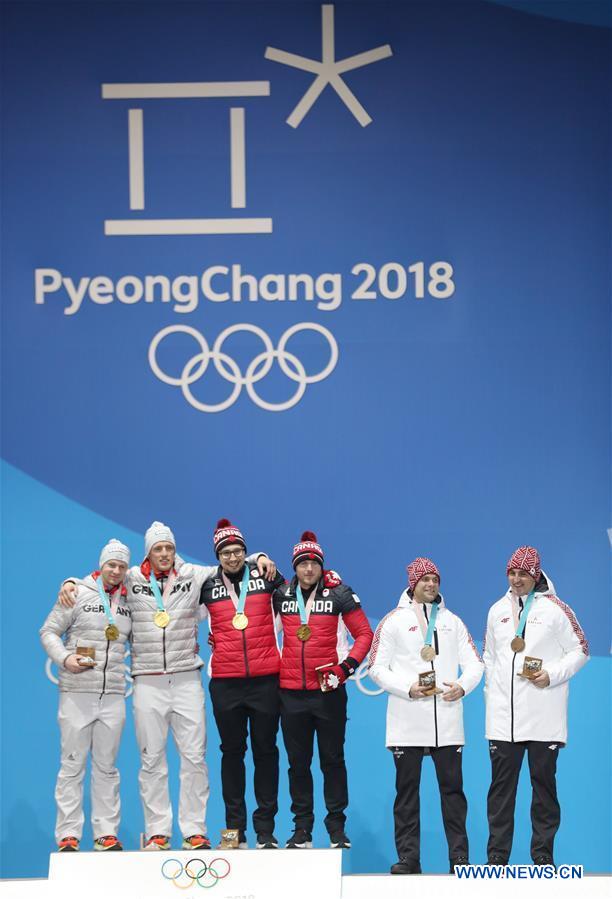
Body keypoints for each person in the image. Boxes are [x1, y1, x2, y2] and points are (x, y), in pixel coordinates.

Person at [58, 521, 275, 851]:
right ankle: (158, 831)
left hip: (187, 678)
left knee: (194, 758)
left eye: (169, 548)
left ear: (175, 550)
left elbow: (229, 564)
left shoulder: (193, 574)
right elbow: (102, 578)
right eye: (158, 549)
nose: (164, 554)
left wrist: (258, 556)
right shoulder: (129, 577)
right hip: (147, 682)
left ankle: (194, 831)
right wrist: (72, 581)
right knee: (151, 759)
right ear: (148, 552)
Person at [369, 557, 483, 875]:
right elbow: (376, 668)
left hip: (447, 722)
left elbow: (475, 663)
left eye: (435, 580)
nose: (431, 585)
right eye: (425, 580)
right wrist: (408, 687)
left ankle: (459, 859)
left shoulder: (453, 622)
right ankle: (409, 859)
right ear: (412, 584)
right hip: (407, 722)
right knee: (407, 795)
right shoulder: (392, 621)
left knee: (453, 795)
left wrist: (462, 686)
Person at [483, 546, 589, 867]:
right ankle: (496, 858)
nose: (516, 580)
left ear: (536, 575)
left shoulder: (557, 609)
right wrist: (492, 695)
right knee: (500, 793)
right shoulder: (496, 610)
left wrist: (552, 675)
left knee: (543, 789)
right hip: (504, 720)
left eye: (523, 575)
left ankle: (542, 856)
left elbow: (581, 650)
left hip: (544, 714)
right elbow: (490, 656)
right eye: (512, 573)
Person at [272, 531, 373, 850]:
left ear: (321, 566)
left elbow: (364, 635)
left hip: (328, 692)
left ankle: (336, 829)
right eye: (302, 564)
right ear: (295, 567)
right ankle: (301, 829)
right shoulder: (281, 594)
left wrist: (345, 669)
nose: (308, 569)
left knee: (333, 760)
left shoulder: (339, 593)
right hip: (290, 693)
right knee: (297, 764)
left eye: (314, 563)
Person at [199, 519, 286, 849]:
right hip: (225, 684)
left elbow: (297, 599)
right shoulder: (206, 586)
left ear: (245, 553)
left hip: (266, 680)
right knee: (231, 754)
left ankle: (265, 831)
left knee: (266, 753)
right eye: (225, 553)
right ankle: (233, 832)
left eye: (238, 552)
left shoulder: (265, 578)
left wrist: (261, 558)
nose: (232, 558)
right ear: (218, 557)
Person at [41, 539, 132, 853]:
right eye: (111, 565)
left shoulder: (130, 596)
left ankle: (105, 833)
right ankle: (68, 835)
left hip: (114, 696)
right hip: (77, 693)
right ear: (101, 564)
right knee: (71, 765)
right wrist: (65, 658)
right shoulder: (76, 592)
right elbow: (48, 631)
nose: (116, 570)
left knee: (107, 767)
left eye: (122, 566)